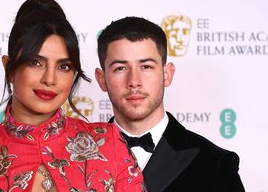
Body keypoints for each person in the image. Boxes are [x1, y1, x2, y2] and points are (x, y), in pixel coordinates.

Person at [0, 0, 145, 191]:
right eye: (35, 62)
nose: (50, 79)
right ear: (10, 69)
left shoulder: (108, 144)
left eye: (64, 66)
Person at [95, 16, 245, 192]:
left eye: (146, 67)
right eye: (120, 68)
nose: (134, 81)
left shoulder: (215, 163)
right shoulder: (75, 157)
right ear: (102, 79)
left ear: (167, 74)